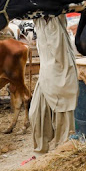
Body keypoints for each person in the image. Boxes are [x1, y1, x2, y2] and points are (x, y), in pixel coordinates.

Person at [30, 15, 78, 153]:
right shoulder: (38, 21)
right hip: (45, 75)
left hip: (62, 74)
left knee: (63, 122)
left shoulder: (57, 19)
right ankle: (40, 152)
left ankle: (62, 154)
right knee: (35, 115)